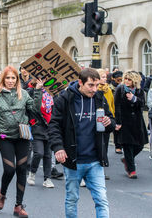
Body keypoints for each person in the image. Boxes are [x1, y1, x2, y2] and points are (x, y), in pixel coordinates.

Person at [48, 68, 115, 218]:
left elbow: (111, 122)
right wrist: (58, 147)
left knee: (102, 200)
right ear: (80, 83)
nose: (94, 89)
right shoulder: (65, 99)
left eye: (97, 85)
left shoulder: (99, 98)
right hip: (73, 160)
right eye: (91, 85)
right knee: (72, 199)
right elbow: (54, 125)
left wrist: (109, 122)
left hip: (95, 160)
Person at [0, 66, 42, 217]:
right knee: (9, 169)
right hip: (5, 137)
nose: (10, 81)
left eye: (13, 78)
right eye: (8, 78)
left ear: (17, 80)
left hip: (22, 137)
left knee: (21, 169)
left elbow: (35, 109)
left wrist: (38, 90)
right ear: (3, 79)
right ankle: (2, 193)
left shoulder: (23, 94)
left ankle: (18, 205)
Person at [114, 71, 148, 178]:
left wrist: (134, 99)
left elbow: (143, 103)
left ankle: (127, 160)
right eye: (126, 79)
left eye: (129, 79)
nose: (127, 81)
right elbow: (117, 105)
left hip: (137, 121)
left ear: (135, 80)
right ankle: (131, 170)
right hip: (125, 120)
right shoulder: (120, 89)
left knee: (140, 145)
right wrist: (118, 122)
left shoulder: (139, 90)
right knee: (127, 146)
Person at [26, 79, 55, 189]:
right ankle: (32, 173)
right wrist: (38, 90)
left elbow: (55, 110)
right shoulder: (30, 92)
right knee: (39, 153)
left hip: (49, 127)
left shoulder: (52, 93)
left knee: (48, 154)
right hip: (36, 126)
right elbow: (34, 108)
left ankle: (47, 178)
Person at [97, 69, 115, 180]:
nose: (105, 79)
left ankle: (102, 168)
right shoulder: (95, 91)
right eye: (102, 77)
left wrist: (113, 120)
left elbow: (111, 105)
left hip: (106, 119)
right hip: (98, 120)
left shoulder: (108, 89)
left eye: (105, 77)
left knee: (105, 146)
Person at [109, 70, 123, 154]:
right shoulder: (110, 88)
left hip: (123, 109)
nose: (120, 82)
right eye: (118, 80)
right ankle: (118, 146)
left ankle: (122, 144)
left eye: (121, 80)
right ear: (113, 79)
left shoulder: (124, 87)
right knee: (116, 129)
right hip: (114, 109)